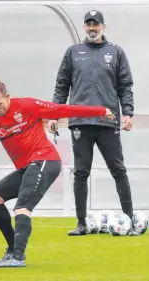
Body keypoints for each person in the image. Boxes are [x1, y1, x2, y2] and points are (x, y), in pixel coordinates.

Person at [0, 81, 115, 268]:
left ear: (8, 97)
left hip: (45, 161)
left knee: (21, 208)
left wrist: (100, 110)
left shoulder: (26, 106)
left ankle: (17, 257)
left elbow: (61, 109)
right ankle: (12, 249)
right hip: (26, 167)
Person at [48, 10, 138, 236]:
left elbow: (125, 86)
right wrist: (53, 114)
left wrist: (127, 113)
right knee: (80, 172)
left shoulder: (116, 52)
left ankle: (129, 219)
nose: (92, 28)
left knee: (118, 170)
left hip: (108, 122)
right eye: (88, 25)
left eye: (95, 24)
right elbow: (62, 85)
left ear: (103, 27)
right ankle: (81, 223)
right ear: (84, 27)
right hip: (79, 122)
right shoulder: (73, 53)